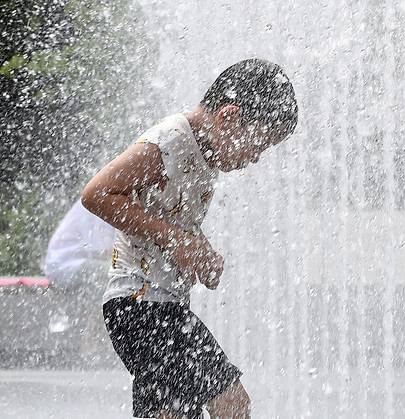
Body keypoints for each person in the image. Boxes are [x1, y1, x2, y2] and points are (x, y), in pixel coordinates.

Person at [81, 58, 298, 419]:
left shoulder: (200, 151)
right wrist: (176, 242)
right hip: (140, 306)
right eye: (258, 144)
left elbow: (168, 216)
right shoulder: (170, 141)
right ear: (229, 117)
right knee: (232, 402)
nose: (256, 158)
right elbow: (97, 194)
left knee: (171, 414)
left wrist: (200, 254)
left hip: (154, 306)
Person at [42, 198, 115, 365]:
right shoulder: (100, 202)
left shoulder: (98, 197)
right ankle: (91, 345)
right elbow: (106, 250)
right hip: (64, 265)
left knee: (111, 275)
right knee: (112, 274)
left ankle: (94, 343)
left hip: (68, 263)